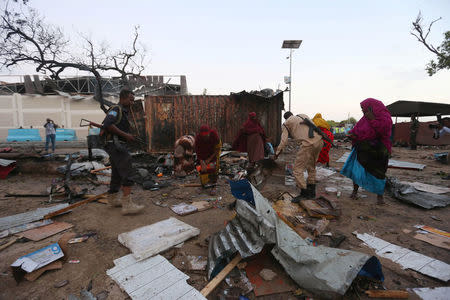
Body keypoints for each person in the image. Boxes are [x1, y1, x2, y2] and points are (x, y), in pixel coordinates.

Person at [341, 98, 392, 205]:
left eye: (364, 109)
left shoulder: (385, 117)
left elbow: (383, 131)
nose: (363, 112)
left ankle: (379, 196)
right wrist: (352, 134)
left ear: (372, 107)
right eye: (362, 110)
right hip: (363, 150)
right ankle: (355, 191)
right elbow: (357, 130)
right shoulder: (364, 119)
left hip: (379, 151)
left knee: (379, 173)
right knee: (357, 170)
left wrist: (373, 119)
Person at [100, 88, 144, 215]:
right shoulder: (116, 109)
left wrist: (128, 137)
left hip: (115, 145)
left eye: (133, 100)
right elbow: (107, 124)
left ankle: (113, 199)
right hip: (116, 145)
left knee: (117, 173)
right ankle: (127, 204)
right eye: (130, 100)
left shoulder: (123, 111)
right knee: (127, 171)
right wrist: (125, 135)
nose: (132, 103)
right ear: (123, 98)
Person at [275, 111, 323, 202]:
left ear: (285, 118)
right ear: (292, 114)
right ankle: (312, 192)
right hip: (319, 141)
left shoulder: (286, 123)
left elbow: (284, 141)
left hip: (308, 144)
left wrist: (277, 153)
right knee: (311, 167)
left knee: (297, 170)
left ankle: (304, 193)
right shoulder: (303, 115)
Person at [195, 125, 221, 195]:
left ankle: (213, 186)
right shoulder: (198, 138)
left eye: (206, 136)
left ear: (210, 133)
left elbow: (217, 149)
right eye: (203, 136)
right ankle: (203, 185)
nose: (205, 138)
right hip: (203, 153)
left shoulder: (214, 135)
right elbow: (197, 151)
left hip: (213, 152)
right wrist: (202, 161)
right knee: (201, 168)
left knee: (213, 167)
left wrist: (209, 159)